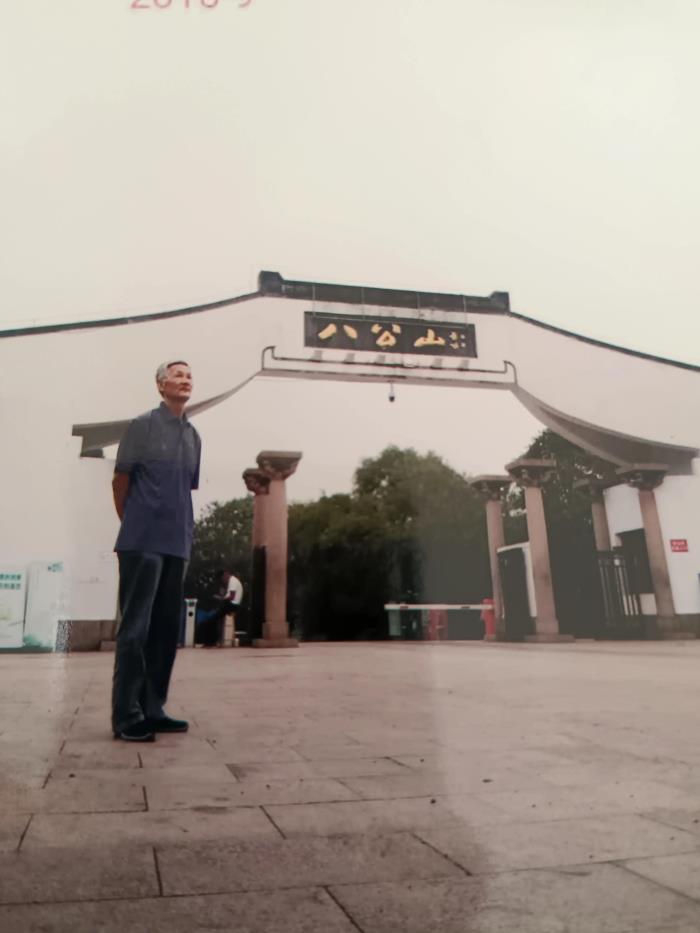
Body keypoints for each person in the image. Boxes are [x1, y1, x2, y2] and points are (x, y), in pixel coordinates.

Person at [110, 360, 202, 742]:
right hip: (143, 541)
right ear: (161, 385)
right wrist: (135, 523)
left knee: (165, 631)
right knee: (135, 630)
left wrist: (183, 534)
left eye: (189, 375)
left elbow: (183, 489)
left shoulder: (194, 436)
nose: (185, 380)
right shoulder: (142, 425)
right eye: (177, 374)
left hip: (176, 544)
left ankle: (153, 708)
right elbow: (120, 480)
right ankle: (126, 716)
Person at [195, 569, 244, 648]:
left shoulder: (232, 581)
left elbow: (231, 597)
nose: (223, 581)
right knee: (214, 619)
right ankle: (212, 641)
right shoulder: (233, 581)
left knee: (212, 620)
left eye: (222, 578)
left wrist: (221, 599)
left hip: (231, 604)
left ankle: (210, 642)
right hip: (231, 604)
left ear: (226, 574)